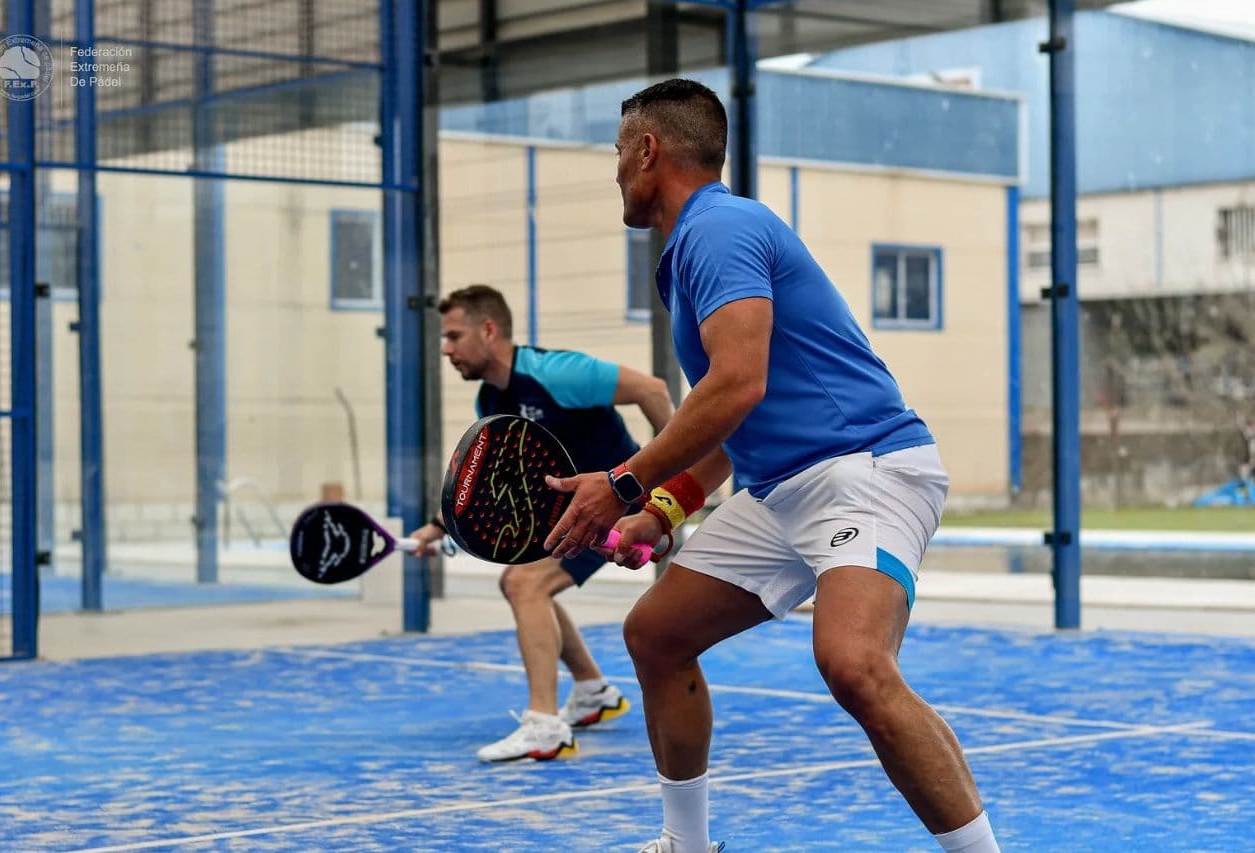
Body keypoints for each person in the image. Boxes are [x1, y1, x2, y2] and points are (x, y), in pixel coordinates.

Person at [542, 80, 1001, 853]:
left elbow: (735, 385)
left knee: (853, 663)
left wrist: (622, 483)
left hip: (866, 467)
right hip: (784, 488)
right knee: (655, 634)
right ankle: (686, 844)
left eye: (619, 152)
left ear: (649, 151)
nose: (614, 170)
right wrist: (662, 509)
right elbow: (736, 415)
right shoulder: (694, 249)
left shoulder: (720, 227)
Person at [407, 284, 675, 762]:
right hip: (573, 516)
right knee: (525, 584)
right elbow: (489, 483)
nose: (445, 349)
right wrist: (437, 527)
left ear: (489, 331)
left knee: (524, 583)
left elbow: (652, 390)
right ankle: (593, 690)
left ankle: (545, 726)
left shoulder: (556, 373)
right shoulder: (490, 401)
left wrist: (666, 494)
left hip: (619, 506)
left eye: (453, 336)